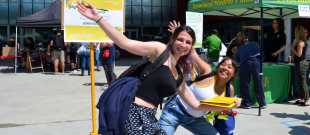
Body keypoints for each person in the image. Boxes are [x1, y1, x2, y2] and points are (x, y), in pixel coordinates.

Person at [76, 3, 241, 134]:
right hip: (133, 113)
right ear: (173, 39)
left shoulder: (178, 75)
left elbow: (196, 105)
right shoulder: (160, 50)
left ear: (191, 46)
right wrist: (99, 19)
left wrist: (227, 105)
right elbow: (124, 43)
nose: (183, 45)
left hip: (150, 118)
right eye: (180, 40)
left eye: (188, 42)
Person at [159, 22, 238, 135]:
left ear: (234, 74)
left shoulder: (229, 89)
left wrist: (223, 110)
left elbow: (225, 112)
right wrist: (179, 34)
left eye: (230, 67)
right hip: (174, 110)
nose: (225, 68)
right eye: (223, 64)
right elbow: (193, 53)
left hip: (195, 119)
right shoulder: (207, 72)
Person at [234, 40, 267, 109]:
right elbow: (263, 56)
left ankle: (247, 103)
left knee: (245, 83)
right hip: (257, 62)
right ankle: (262, 103)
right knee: (259, 82)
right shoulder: (256, 44)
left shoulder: (241, 47)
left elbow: (235, 60)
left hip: (245, 63)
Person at [289, 26, 309, 106]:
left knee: (302, 82)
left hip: (301, 63)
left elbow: (299, 54)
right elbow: (306, 53)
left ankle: (306, 100)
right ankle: (303, 99)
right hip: (302, 62)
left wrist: (292, 48)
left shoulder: (300, 42)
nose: (294, 34)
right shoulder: (304, 41)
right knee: (301, 82)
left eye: (295, 32)